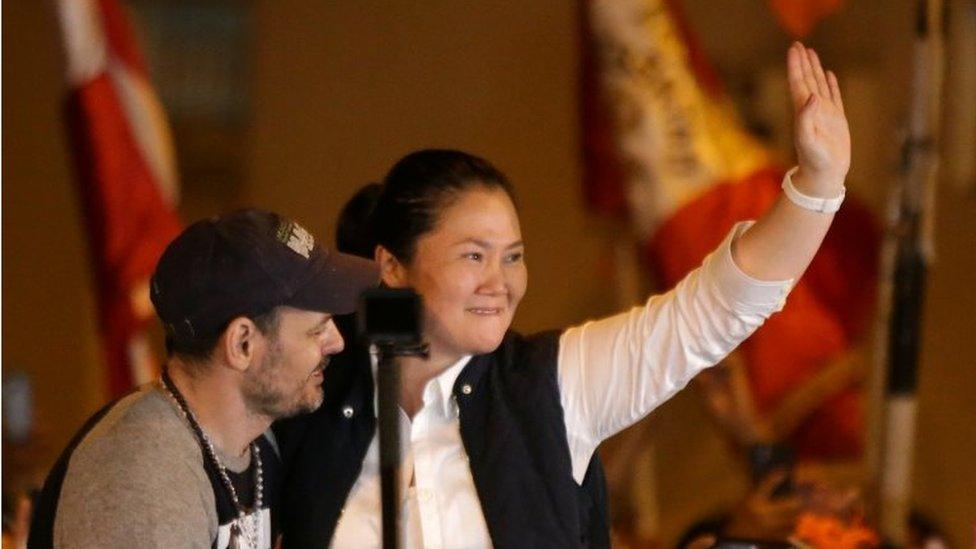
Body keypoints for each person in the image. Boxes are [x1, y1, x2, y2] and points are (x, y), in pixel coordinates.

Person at [275, 42, 850, 548]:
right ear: (393, 267)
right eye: (473, 256)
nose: (499, 283)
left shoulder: (548, 387)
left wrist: (817, 188)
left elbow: (709, 314)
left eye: (514, 256)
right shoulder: (306, 397)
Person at [27, 209, 378, 549]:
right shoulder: (142, 476)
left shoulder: (256, 446)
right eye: (316, 331)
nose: (337, 342)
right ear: (243, 343)